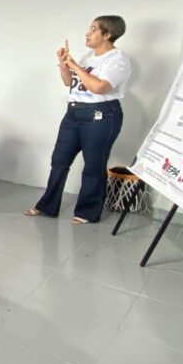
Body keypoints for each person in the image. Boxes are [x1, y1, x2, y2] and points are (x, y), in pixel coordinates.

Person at [26, 15, 131, 224]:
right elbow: (69, 83)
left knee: (93, 165)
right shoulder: (87, 58)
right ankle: (48, 206)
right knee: (59, 161)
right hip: (73, 114)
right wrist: (64, 64)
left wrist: (74, 65)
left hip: (101, 115)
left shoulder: (117, 59)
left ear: (108, 34)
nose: (87, 33)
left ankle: (87, 212)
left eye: (93, 29)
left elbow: (99, 87)